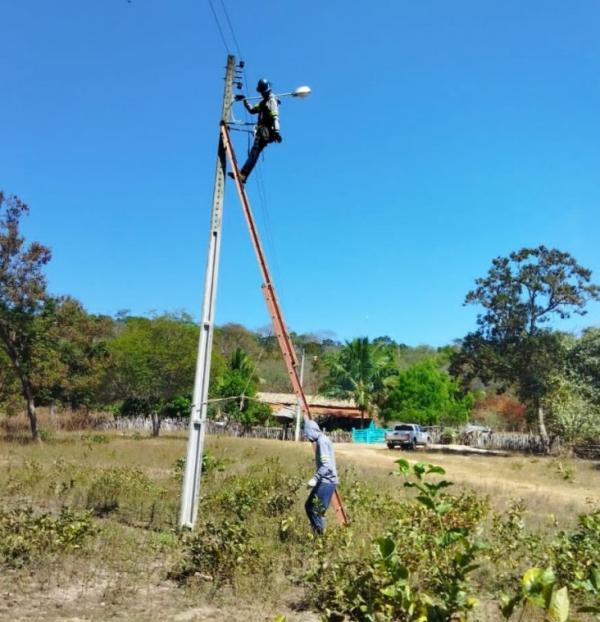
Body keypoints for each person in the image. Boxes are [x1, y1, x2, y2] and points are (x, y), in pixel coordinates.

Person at [229, 78, 282, 183]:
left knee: (255, 152)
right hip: (263, 131)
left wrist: (276, 131)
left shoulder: (271, 100)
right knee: (254, 152)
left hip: (266, 131)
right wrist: (245, 100)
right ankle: (243, 174)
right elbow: (252, 110)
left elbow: (275, 116)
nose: (262, 94)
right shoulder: (263, 103)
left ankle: (243, 175)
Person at [303, 419, 338, 535]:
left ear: (312, 431)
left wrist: (315, 478)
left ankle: (320, 537)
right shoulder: (322, 440)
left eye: (307, 433)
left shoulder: (322, 442)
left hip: (326, 481)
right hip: (325, 481)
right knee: (312, 508)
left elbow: (326, 465)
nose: (307, 437)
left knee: (315, 510)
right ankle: (317, 534)